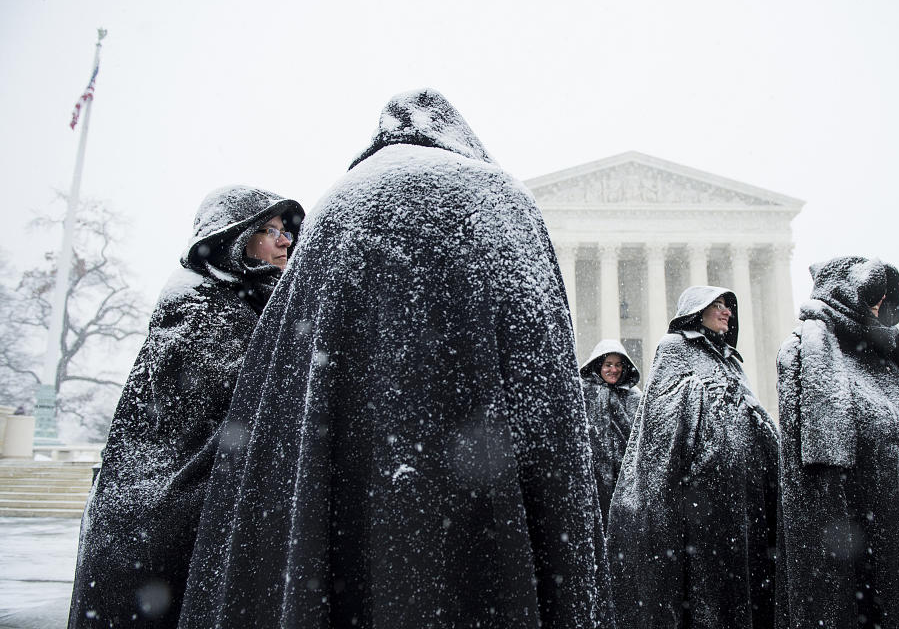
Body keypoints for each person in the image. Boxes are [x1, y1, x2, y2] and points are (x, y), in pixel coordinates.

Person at [179, 88, 614, 629]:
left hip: (359, 482)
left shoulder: (341, 203)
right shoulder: (502, 199)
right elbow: (540, 368)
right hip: (487, 474)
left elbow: (288, 369)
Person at [67, 186, 304, 628]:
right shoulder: (198, 304)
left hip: (183, 516)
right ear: (234, 240)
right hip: (154, 522)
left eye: (285, 231)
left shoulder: (252, 302)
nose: (285, 240)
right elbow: (237, 400)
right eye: (269, 230)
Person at [776, 256, 899, 628]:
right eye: (872, 294)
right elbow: (814, 473)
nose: (879, 305)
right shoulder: (809, 352)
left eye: (885, 296)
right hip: (865, 538)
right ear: (846, 292)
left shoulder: (888, 356)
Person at [608, 285, 779, 629]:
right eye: (718, 305)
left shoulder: (729, 360)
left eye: (729, 306)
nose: (727, 312)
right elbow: (662, 418)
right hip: (698, 497)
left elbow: (754, 418)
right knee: (702, 584)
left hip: (738, 500)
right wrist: (703, 394)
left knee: (737, 583)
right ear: (696, 310)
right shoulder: (674, 349)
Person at [579, 339, 642, 529]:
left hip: (625, 478)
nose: (613, 370)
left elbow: (640, 436)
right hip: (593, 477)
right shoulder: (584, 395)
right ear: (599, 366)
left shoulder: (634, 397)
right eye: (608, 365)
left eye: (618, 365)